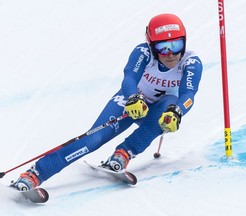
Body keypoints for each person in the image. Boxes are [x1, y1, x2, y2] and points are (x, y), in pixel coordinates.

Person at [12, 13, 203, 191]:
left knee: (169, 106)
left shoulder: (191, 62)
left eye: (176, 45)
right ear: (151, 45)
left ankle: (124, 153)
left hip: (159, 110)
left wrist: (177, 111)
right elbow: (129, 78)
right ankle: (35, 174)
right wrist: (133, 97)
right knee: (93, 139)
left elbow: (189, 94)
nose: (170, 54)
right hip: (134, 103)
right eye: (163, 48)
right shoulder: (143, 52)